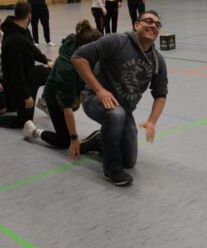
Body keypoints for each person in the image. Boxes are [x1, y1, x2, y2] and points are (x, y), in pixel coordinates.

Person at [72, 10, 168, 186]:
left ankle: (99, 140)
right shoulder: (117, 41)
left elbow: (160, 94)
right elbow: (79, 58)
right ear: (136, 25)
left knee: (129, 161)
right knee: (116, 114)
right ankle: (111, 169)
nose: (153, 25)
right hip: (94, 99)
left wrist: (151, 122)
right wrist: (100, 90)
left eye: (157, 24)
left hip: (124, 110)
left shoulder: (157, 61)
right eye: (148, 21)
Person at [26, 20, 103, 156]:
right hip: (55, 98)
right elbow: (67, 107)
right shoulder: (67, 68)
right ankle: (33, 131)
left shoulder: (77, 42)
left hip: (68, 89)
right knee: (64, 141)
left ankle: (45, 106)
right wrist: (74, 138)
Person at [0, 1, 54, 135]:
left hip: (29, 73)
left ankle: (44, 101)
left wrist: (46, 60)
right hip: (18, 84)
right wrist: (26, 96)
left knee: (55, 73)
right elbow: (16, 73)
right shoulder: (14, 40)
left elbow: (32, 48)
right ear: (30, 15)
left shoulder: (23, 29)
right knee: (24, 122)